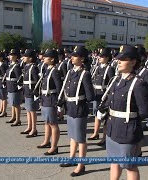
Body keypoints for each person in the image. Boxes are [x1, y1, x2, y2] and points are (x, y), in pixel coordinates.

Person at [98, 45, 148, 180]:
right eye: (118, 59)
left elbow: (144, 112)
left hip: (127, 131)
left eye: (123, 59)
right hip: (112, 129)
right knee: (114, 162)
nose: (119, 61)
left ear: (133, 62)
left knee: (130, 166)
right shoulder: (116, 80)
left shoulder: (138, 83)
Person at [58, 46, 94, 177]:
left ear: (82, 58)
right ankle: (72, 158)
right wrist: (61, 103)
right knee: (72, 136)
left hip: (79, 108)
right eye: (72, 55)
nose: (71, 57)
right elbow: (66, 88)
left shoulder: (85, 74)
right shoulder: (70, 72)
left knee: (80, 138)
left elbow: (90, 96)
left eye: (75, 56)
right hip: (70, 107)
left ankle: (81, 164)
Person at [37, 49, 62, 155]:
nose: (43, 58)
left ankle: (54, 146)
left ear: (52, 59)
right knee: (46, 122)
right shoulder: (47, 69)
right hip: (45, 99)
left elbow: (59, 88)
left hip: (51, 99)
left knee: (53, 123)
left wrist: (60, 104)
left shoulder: (55, 71)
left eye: (46, 57)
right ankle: (46, 141)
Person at [88, 47, 115, 146]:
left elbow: (112, 83)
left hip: (104, 95)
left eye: (102, 56)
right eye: (99, 56)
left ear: (107, 58)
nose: (100, 58)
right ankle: (95, 133)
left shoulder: (110, 68)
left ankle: (104, 137)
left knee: (105, 116)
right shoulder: (97, 67)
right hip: (96, 94)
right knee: (96, 114)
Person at [21, 49, 40, 138]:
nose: (23, 57)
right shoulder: (26, 66)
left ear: (30, 58)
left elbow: (36, 81)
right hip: (26, 90)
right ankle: (29, 127)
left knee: (32, 111)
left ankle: (34, 129)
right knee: (28, 110)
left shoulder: (33, 67)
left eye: (25, 56)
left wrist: (35, 92)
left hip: (31, 91)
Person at [5, 49, 23, 126]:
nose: (10, 56)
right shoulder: (11, 65)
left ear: (16, 56)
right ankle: (13, 117)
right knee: (12, 103)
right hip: (10, 85)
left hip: (14, 86)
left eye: (12, 55)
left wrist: (18, 86)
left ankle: (18, 119)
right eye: (10, 55)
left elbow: (19, 78)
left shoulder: (17, 66)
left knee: (16, 104)